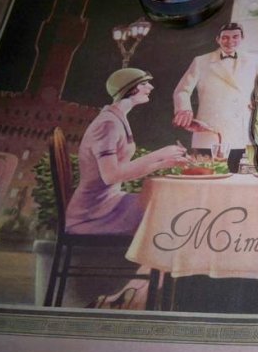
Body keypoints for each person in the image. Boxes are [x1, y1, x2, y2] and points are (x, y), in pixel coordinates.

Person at [66, 68, 187, 308]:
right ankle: (133, 297)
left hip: (109, 204)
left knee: (172, 215)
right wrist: (158, 154)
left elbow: (121, 169)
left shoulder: (116, 118)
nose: (150, 87)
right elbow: (111, 175)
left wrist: (163, 163)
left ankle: (132, 295)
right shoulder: (108, 124)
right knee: (172, 221)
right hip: (93, 213)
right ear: (129, 89)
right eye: (144, 84)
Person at [173, 23, 258, 173]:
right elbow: (182, 90)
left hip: (241, 130)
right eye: (225, 37)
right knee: (206, 175)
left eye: (235, 37)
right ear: (218, 39)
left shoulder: (254, 60)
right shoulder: (201, 61)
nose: (230, 41)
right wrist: (184, 109)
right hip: (209, 129)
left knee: (238, 176)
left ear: (242, 38)